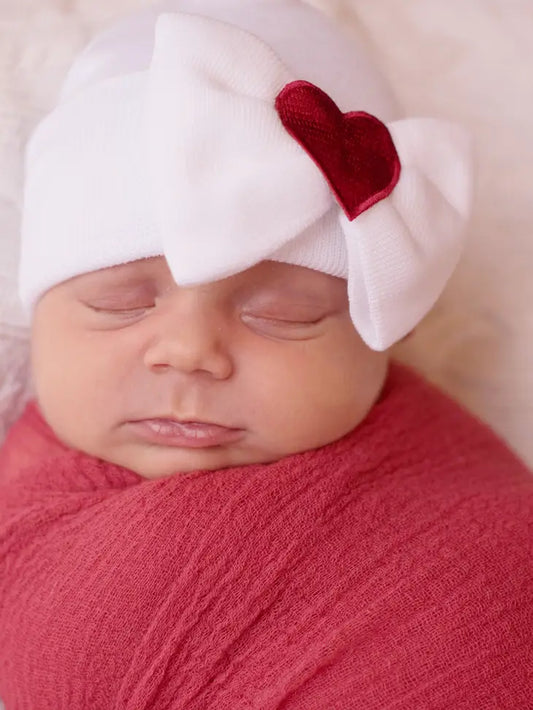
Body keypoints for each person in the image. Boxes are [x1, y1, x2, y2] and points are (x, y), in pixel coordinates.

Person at [0, 1, 531, 708]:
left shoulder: (476, 551)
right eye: (119, 303)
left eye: (285, 314)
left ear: (388, 331)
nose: (189, 353)